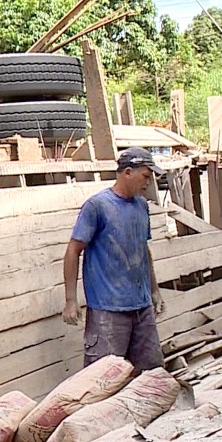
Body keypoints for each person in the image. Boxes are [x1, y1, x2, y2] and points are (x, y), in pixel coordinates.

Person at [62, 147, 166, 370]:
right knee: (103, 378)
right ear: (128, 172)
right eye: (146, 176)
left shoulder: (141, 206)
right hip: (107, 311)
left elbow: (143, 250)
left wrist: (154, 290)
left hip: (141, 307)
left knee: (152, 374)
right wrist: (71, 300)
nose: (148, 183)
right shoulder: (98, 206)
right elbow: (73, 251)